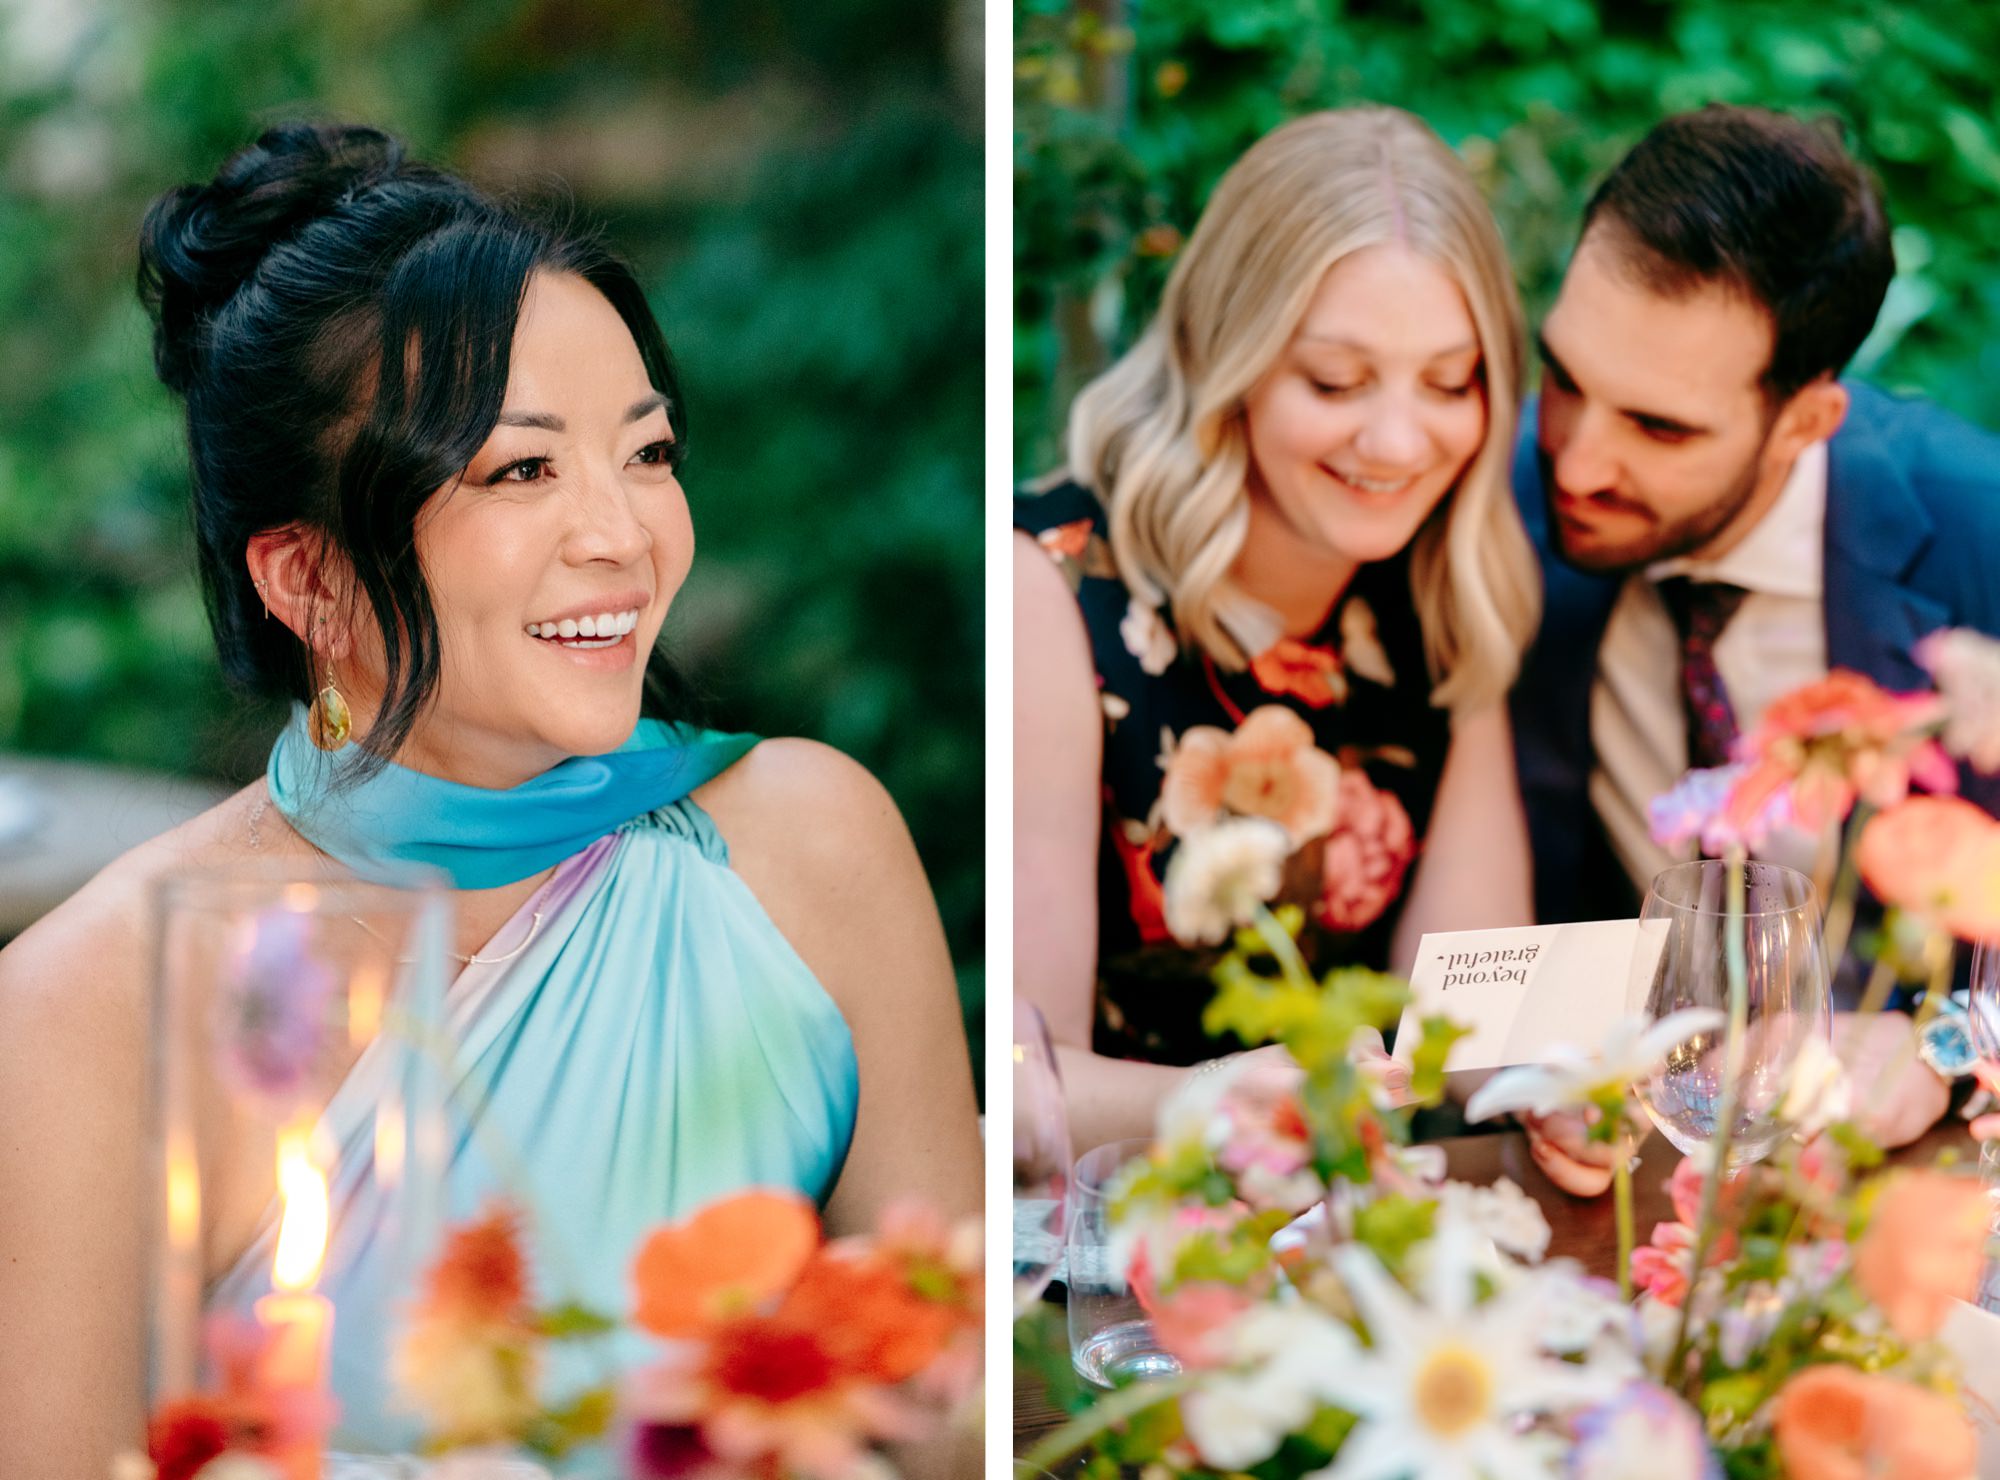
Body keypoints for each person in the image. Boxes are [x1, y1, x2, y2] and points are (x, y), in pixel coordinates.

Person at [0, 124, 980, 1476]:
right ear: (309, 580)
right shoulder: (83, 1016)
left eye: (647, 452)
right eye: (523, 470)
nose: (625, 535)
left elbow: (957, 1406)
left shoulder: (814, 845)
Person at [1015, 106, 1543, 1155]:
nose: (1396, 440)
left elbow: (1481, 1028)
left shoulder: (1441, 590)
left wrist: (1557, 1088)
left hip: (1348, 1228)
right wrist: (1205, 1103)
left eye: (1448, 382)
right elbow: (1019, 1079)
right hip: (1103, 1260)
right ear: (1230, 358)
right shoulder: (1051, 593)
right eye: (1334, 381)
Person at [1511, 105, 2000, 1182]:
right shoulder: (1498, 501)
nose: (1573, 464)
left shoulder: (1979, 539)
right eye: (1564, 379)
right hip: (1615, 1186)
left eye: (1658, 427)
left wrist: (1944, 1042)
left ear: (1802, 423)